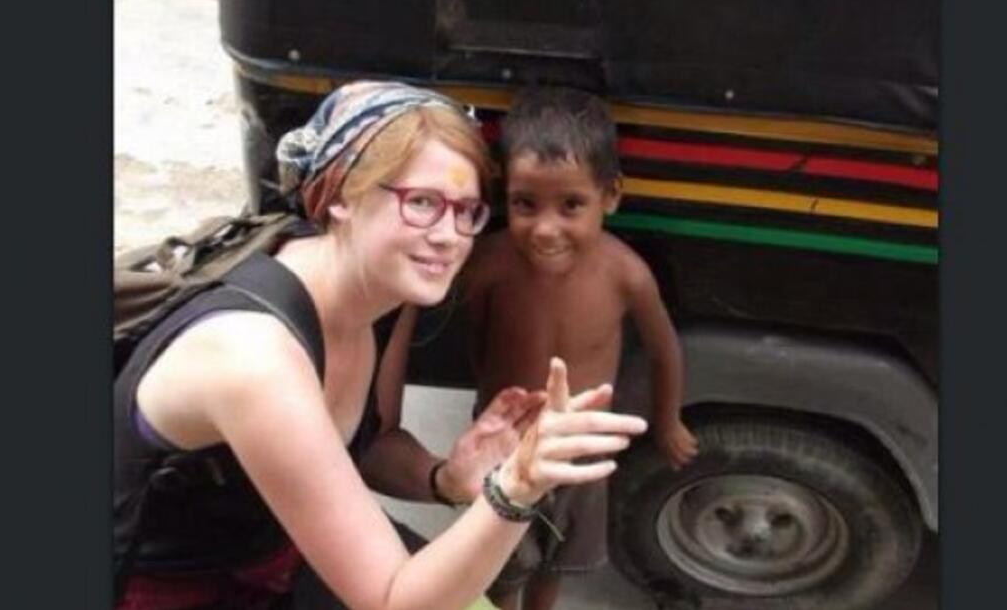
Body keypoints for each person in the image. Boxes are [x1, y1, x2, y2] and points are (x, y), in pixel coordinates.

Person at [113, 81, 648, 610]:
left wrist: (446, 478)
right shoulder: (252, 358)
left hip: (278, 559)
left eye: (466, 211)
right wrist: (516, 490)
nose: (449, 235)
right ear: (341, 196)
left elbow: (363, 447)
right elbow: (394, 601)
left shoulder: (379, 296)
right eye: (421, 202)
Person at [455, 86, 698, 610]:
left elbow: (663, 349)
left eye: (571, 205)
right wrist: (486, 395)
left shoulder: (625, 273)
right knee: (499, 556)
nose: (546, 229)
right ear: (505, 197)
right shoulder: (490, 264)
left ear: (610, 195)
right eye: (525, 204)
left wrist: (668, 419)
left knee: (560, 555)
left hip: (583, 449)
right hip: (506, 445)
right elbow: (472, 332)